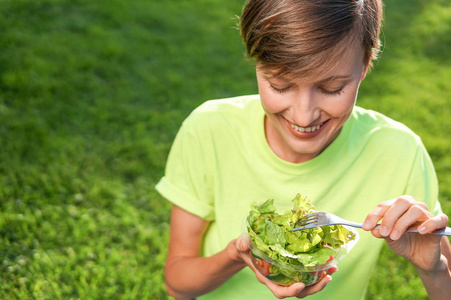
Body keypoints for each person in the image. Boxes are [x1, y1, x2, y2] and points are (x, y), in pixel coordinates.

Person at [155, 0, 451, 299]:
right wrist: (236, 255)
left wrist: (434, 268)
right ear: (256, 64)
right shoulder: (210, 129)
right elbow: (177, 285)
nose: (303, 116)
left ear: (365, 65)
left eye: (332, 88)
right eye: (280, 85)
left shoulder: (399, 152)